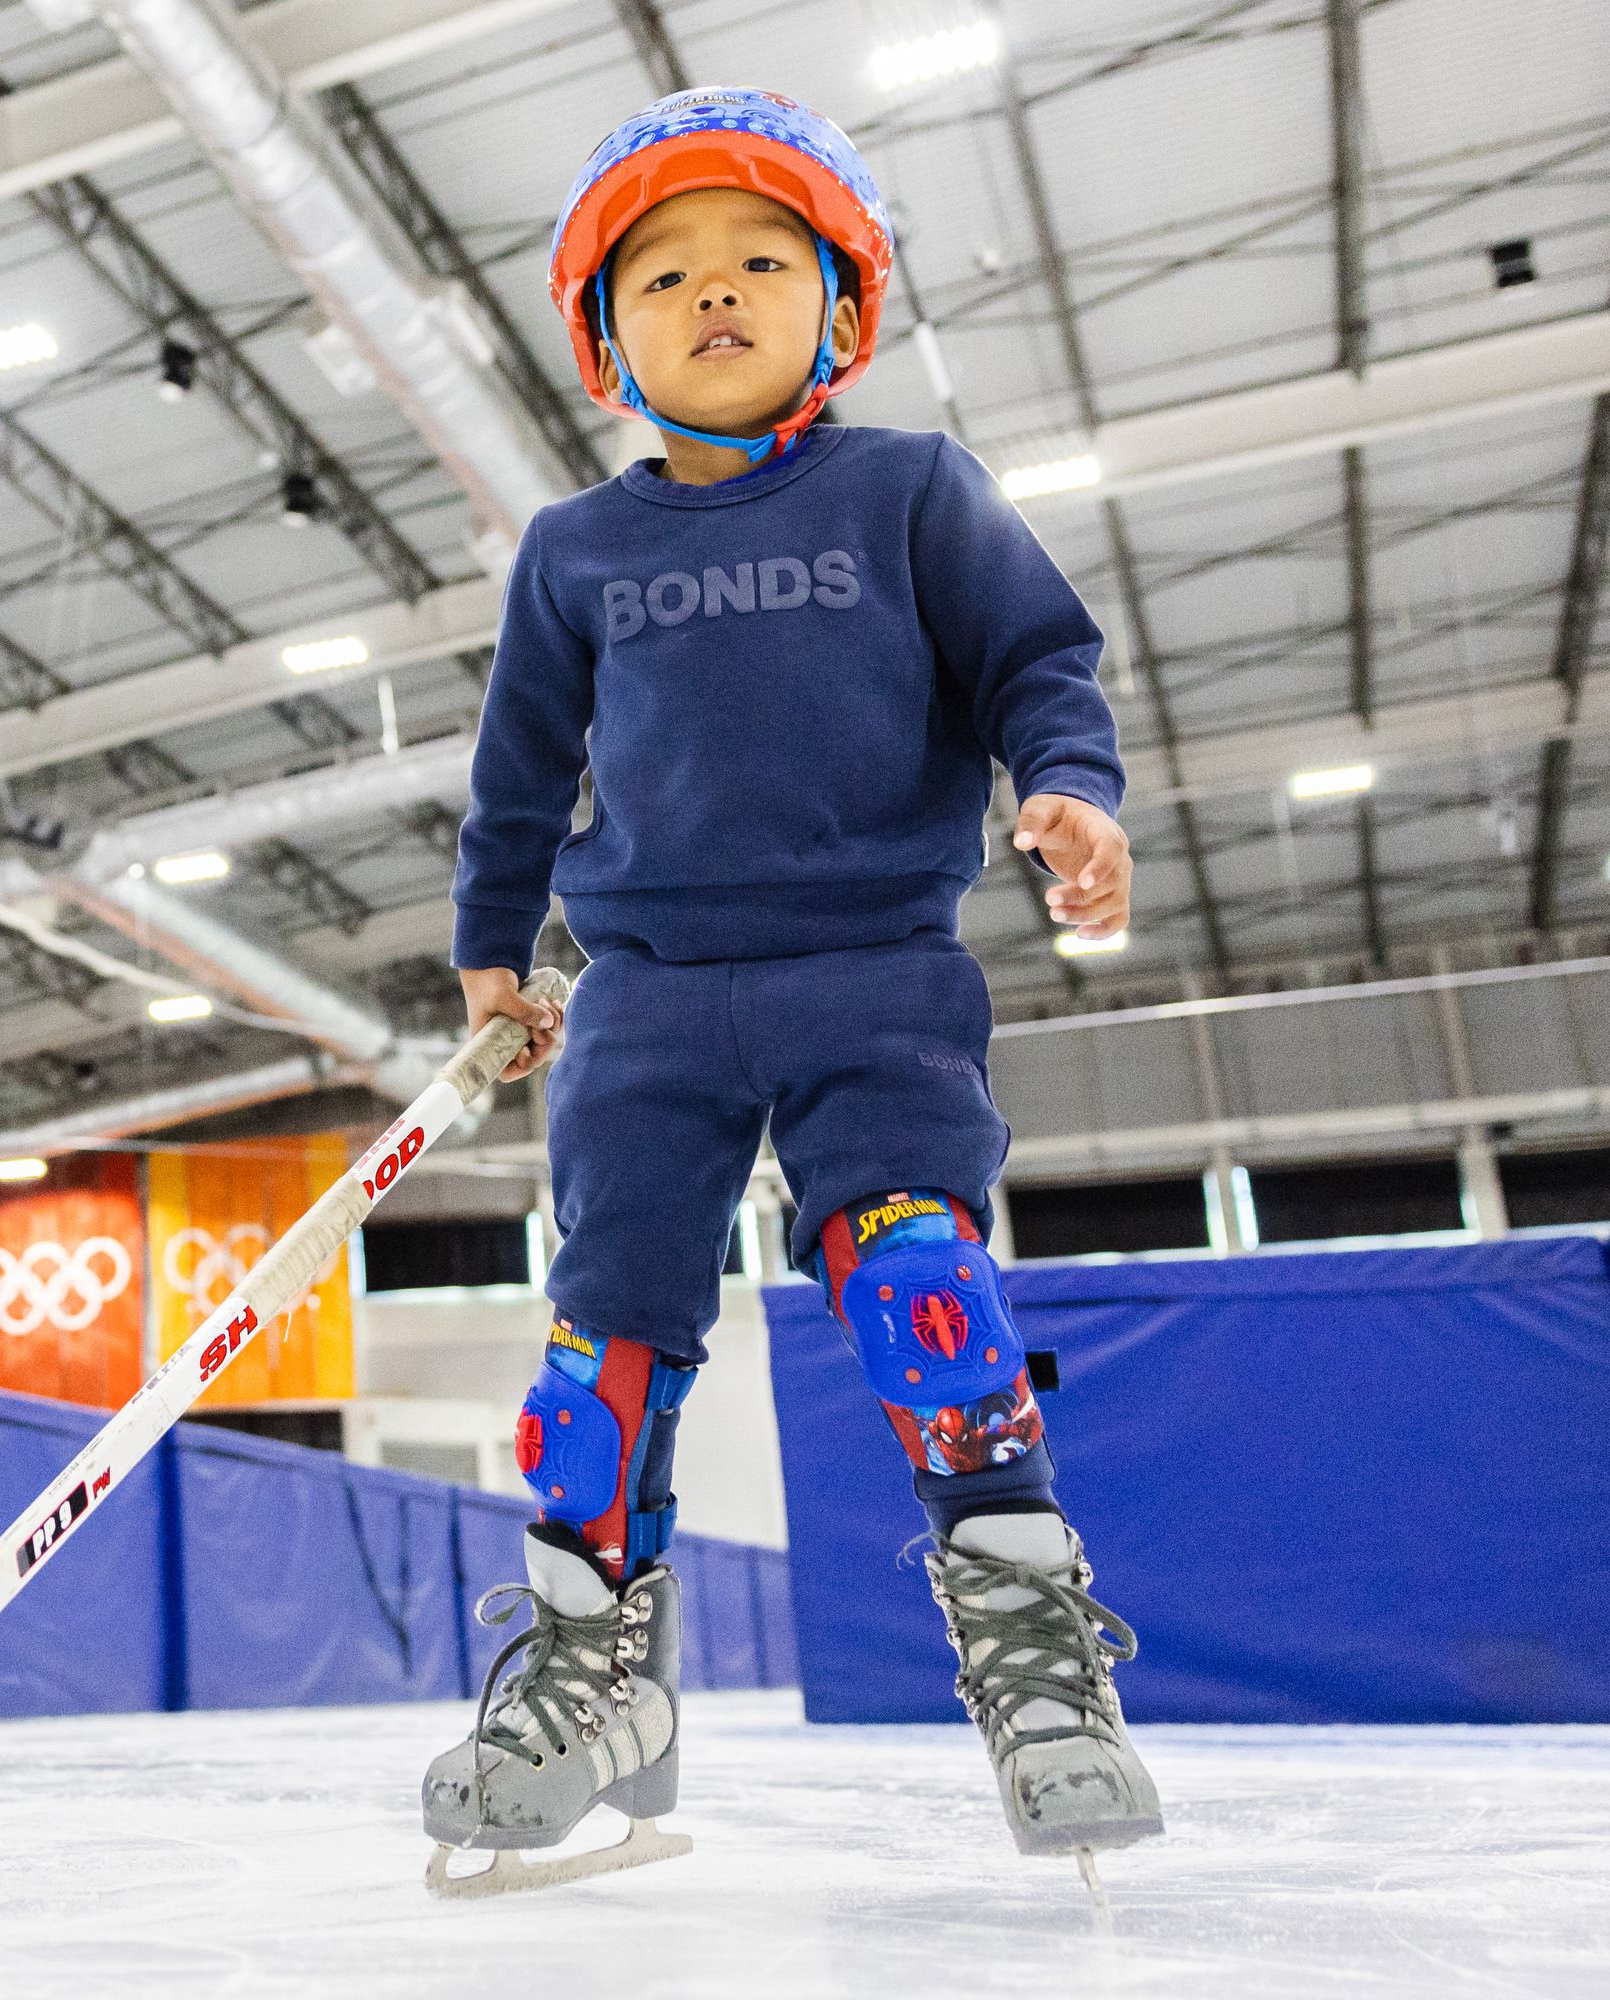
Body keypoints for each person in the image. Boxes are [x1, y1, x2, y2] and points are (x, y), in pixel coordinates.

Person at [420, 86, 1163, 1897]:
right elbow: (519, 776)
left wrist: (1069, 788)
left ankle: (1031, 1643)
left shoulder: (915, 489)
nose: (718, 291)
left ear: (842, 309)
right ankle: (594, 1678)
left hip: (871, 970)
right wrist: (491, 950)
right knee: (600, 1354)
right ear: (610, 338)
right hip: (649, 996)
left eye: (766, 258)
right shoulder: (572, 552)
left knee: (917, 1286)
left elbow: (1038, 661)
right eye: (665, 274)